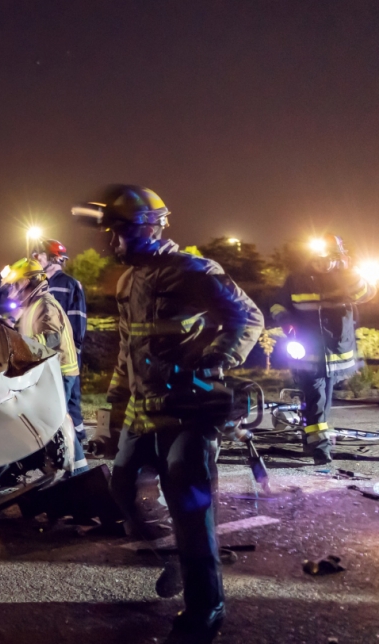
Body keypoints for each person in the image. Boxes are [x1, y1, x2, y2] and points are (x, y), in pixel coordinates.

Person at [73, 185, 262, 642]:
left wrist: (212, 361)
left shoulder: (192, 270)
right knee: (122, 486)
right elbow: (128, 349)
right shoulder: (128, 280)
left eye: (116, 234)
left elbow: (248, 318)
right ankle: (176, 562)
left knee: (189, 506)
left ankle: (206, 609)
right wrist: (115, 412)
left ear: (146, 228)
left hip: (190, 411)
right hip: (144, 411)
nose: (111, 244)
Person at [270, 234, 376, 464]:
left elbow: (366, 294)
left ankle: (312, 438)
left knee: (322, 397)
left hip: (337, 352)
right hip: (307, 351)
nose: (322, 264)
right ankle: (319, 446)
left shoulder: (346, 277)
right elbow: (277, 305)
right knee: (316, 396)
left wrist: (350, 273)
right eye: (318, 259)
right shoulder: (296, 279)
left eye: (328, 259)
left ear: (338, 258)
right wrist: (285, 321)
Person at [2, 257, 87, 475]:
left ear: (31, 282)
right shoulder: (32, 305)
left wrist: (18, 345)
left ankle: (79, 473)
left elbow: (50, 338)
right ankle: (73, 470)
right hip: (49, 372)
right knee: (53, 420)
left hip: (60, 372)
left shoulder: (46, 305)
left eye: (16, 284)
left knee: (55, 420)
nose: (13, 290)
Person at [31, 238, 88, 442]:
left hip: (65, 354)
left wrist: (76, 349)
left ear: (53, 258)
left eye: (40, 255)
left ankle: (77, 440)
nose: (36, 259)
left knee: (70, 399)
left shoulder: (70, 284)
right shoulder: (40, 283)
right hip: (46, 353)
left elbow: (77, 319)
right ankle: (71, 439)